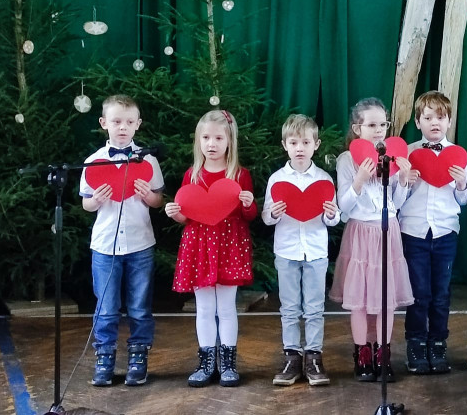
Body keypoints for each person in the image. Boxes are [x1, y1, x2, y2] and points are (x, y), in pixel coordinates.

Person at [165, 110, 256, 387]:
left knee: (226, 307)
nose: (211, 144)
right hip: (199, 246)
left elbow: (249, 216)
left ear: (230, 141)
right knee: (204, 308)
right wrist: (175, 213)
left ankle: (228, 363)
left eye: (218, 137)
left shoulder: (240, 174)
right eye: (206, 137)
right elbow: (187, 215)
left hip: (229, 245)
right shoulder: (192, 175)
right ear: (198, 141)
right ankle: (206, 362)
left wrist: (249, 202)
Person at [79, 95, 165, 387]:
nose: (123, 127)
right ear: (104, 123)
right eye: (116, 121)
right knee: (106, 306)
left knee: (140, 305)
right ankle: (105, 357)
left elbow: (158, 201)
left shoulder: (148, 159)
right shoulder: (93, 163)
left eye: (129, 122)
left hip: (140, 244)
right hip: (105, 247)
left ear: (138, 124)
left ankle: (138, 356)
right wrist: (96, 201)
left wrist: (147, 195)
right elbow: (86, 205)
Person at [331, 98, 415, 383]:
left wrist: (403, 179)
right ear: (357, 128)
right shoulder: (346, 160)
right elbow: (343, 207)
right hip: (360, 232)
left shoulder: (391, 155)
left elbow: (397, 203)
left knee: (385, 300)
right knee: (360, 300)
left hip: (387, 231)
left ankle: (383, 354)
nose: (379, 130)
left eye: (383, 124)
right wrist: (360, 178)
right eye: (371, 125)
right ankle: (362, 354)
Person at [261, 114, 339, 387]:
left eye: (306, 142)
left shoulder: (324, 179)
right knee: (290, 307)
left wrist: (331, 214)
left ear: (316, 145)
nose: (300, 148)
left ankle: (314, 356)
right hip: (287, 251)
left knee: (315, 308)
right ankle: (292, 355)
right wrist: (272, 212)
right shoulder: (277, 179)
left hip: (316, 252)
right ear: (285, 145)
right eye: (294, 142)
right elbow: (266, 218)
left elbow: (334, 218)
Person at [399, 91, 467, 374]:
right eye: (427, 117)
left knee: (441, 293)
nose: (434, 123)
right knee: (418, 293)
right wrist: (405, 181)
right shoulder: (406, 153)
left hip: (445, 232)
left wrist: (462, 184)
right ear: (418, 121)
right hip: (414, 231)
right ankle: (416, 344)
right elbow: (396, 199)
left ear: (449, 120)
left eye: (440, 117)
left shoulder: (458, 154)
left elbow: (463, 200)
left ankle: (438, 343)